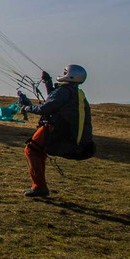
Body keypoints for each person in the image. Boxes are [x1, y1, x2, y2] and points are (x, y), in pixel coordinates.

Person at [21, 65, 95, 198]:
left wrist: (27, 108)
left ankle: (39, 187)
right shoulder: (74, 92)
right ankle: (39, 185)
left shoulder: (64, 91)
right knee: (38, 152)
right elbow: (54, 99)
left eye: (65, 72)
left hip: (54, 128)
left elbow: (46, 108)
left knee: (31, 150)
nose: (63, 73)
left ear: (70, 75)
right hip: (60, 129)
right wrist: (48, 82)